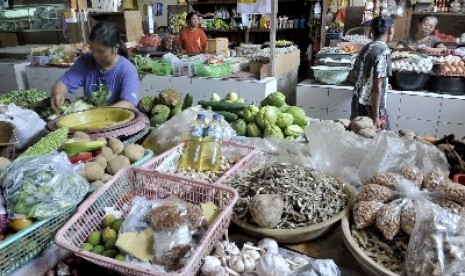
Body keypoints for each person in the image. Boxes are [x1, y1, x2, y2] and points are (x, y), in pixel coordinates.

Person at [51, 21, 140, 113]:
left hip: (119, 120)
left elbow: (128, 104)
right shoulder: (86, 61)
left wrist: (96, 113)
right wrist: (58, 92)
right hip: (93, 119)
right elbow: (64, 82)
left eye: (101, 51)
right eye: (92, 49)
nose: (95, 55)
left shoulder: (126, 69)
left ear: (116, 47)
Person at [350, 15, 394, 130]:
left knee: (358, 137)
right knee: (377, 141)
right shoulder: (384, 52)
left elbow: (355, 76)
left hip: (357, 102)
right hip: (372, 107)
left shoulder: (365, 48)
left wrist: (384, 84)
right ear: (391, 30)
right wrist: (376, 118)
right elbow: (377, 88)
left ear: (371, 31)